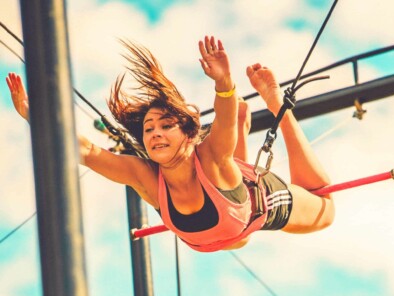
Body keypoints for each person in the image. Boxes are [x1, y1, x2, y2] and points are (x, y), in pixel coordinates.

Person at [6, 36, 334, 252]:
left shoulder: (210, 153)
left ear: (189, 134)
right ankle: (241, 140)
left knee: (325, 206)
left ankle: (276, 103)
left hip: (257, 206)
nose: (155, 133)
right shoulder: (144, 176)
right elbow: (88, 152)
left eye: (166, 126)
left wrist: (224, 82)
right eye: (149, 129)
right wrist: (32, 115)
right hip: (228, 230)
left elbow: (222, 119)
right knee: (236, 226)